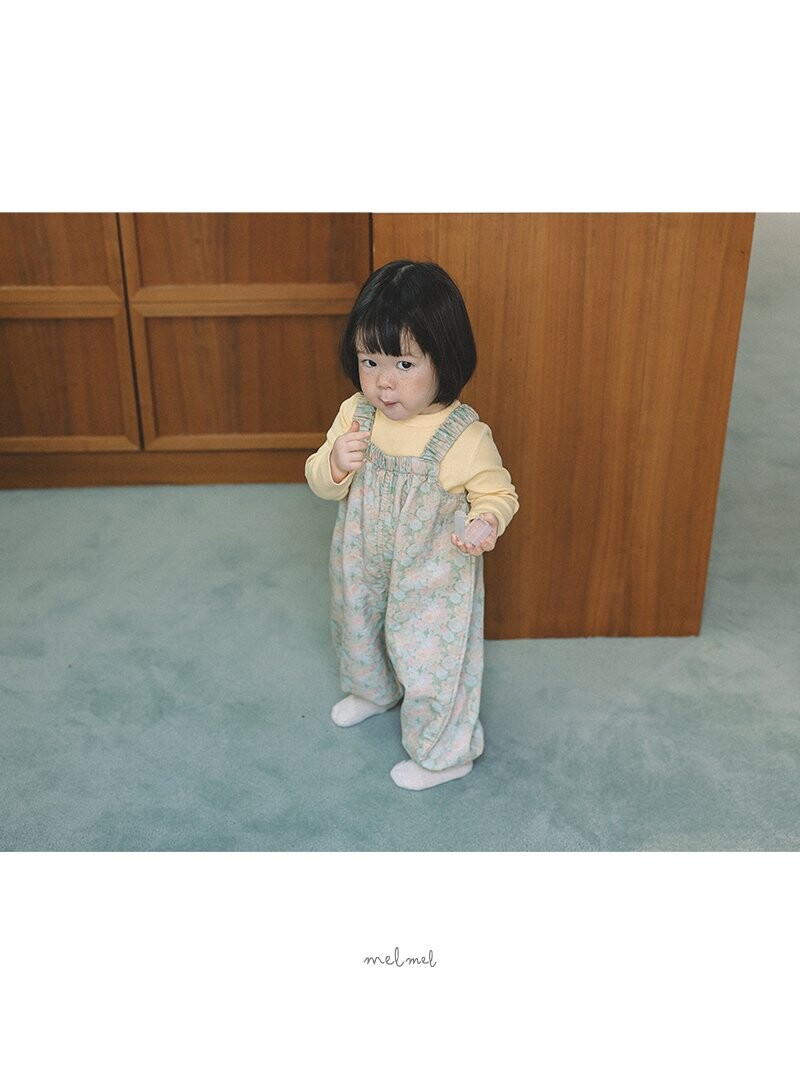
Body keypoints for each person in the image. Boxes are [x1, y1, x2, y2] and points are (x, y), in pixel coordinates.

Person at [305, 260, 518, 790]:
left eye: (404, 363)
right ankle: (373, 690)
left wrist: (485, 520)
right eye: (369, 361)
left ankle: (446, 753)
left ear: (444, 357)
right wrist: (334, 463)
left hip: (431, 568)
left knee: (429, 655)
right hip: (361, 552)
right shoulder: (356, 415)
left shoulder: (462, 436)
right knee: (356, 621)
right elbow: (321, 482)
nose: (383, 382)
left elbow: (497, 492)